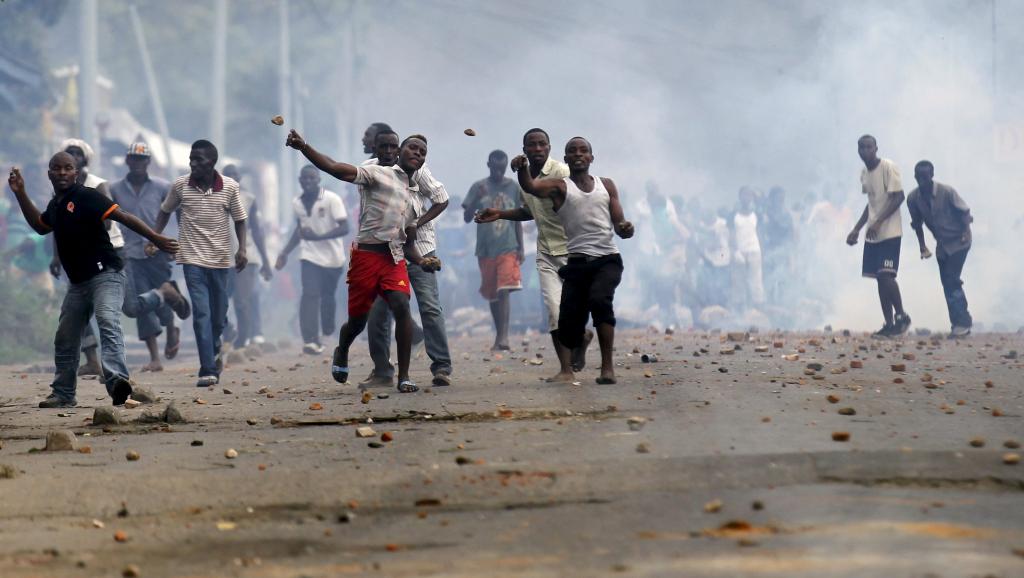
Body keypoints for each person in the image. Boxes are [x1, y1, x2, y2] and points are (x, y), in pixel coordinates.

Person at [7, 156, 180, 407]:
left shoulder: (87, 196)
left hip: (106, 273)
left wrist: (156, 238)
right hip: (78, 282)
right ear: (50, 174)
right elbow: (40, 226)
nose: (62, 173)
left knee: (107, 318)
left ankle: (118, 381)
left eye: (68, 168)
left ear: (76, 173)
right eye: (57, 168)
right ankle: (64, 393)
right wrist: (21, 193)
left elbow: (124, 217)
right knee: (66, 336)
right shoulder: (56, 205)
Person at [285, 129, 438, 393]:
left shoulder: (415, 196)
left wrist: (423, 261)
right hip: (366, 257)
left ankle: (404, 376)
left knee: (402, 306)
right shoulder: (374, 173)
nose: (417, 153)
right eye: (412, 148)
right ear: (398, 152)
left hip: (394, 258)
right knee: (358, 321)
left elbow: (409, 243)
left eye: (422, 152)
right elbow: (334, 168)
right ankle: (342, 348)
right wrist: (304, 147)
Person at [513, 137, 634, 384]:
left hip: (606, 259)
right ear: (566, 159)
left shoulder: (607, 185)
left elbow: (619, 222)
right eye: (572, 151)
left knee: (600, 301)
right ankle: (580, 340)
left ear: (591, 157)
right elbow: (531, 187)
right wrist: (522, 168)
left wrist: (625, 228)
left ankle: (607, 368)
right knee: (567, 327)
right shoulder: (559, 186)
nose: (578, 154)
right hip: (577, 263)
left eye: (584, 151)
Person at [475, 128, 587, 382]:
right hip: (546, 252)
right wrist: (500, 213)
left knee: (575, 310)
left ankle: (582, 336)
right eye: (532, 145)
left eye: (542, 144)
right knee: (553, 310)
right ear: (524, 149)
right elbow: (530, 210)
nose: (537, 149)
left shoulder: (561, 172)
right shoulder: (523, 179)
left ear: (549, 148)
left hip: (574, 249)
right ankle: (566, 370)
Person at [152, 140, 248, 387]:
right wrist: (155, 237)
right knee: (201, 314)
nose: (193, 164)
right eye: (191, 159)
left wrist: (242, 249)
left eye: (199, 160)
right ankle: (207, 369)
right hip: (192, 260)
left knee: (218, 316)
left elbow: (240, 219)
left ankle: (215, 346)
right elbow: (164, 210)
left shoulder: (229, 187)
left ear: (212, 162)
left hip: (221, 262)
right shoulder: (181, 186)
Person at [362, 130, 453, 388]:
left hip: (420, 249)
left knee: (430, 307)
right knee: (378, 311)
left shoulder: (419, 172)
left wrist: (416, 222)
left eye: (422, 152)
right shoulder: (370, 170)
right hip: (386, 252)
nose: (389, 151)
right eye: (384, 146)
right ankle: (382, 370)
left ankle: (442, 367)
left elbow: (441, 199)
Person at [108, 142, 183, 370]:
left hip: (158, 251)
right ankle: (154, 358)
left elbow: (177, 211)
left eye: (142, 159)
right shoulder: (115, 189)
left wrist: (176, 242)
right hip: (129, 253)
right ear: (127, 161)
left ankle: (171, 327)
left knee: (160, 297)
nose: (138, 163)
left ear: (148, 162)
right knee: (142, 301)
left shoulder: (163, 187)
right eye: (134, 159)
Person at [57, 139, 125, 377]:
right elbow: (56, 226)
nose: (72, 158)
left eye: (76, 154)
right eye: (68, 154)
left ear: (84, 161)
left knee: (107, 313)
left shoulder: (97, 185)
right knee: (74, 313)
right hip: (77, 256)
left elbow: (107, 222)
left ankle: (115, 375)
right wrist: (57, 257)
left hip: (107, 252)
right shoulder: (61, 191)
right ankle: (92, 362)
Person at [275, 164, 349, 355]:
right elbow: (299, 230)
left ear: (318, 180)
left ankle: (327, 331)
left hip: (333, 259)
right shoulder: (297, 203)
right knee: (309, 294)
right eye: (304, 178)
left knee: (327, 297)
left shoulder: (332, 199)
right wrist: (284, 252)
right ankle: (310, 340)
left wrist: (318, 236)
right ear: (300, 180)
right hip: (309, 256)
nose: (308, 182)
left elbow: (344, 228)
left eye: (312, 178)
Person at [846, 135, 911, 338]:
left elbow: (899, 196)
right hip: (873, 234)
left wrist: (880, 221)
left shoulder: (887, 167)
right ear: (858, 151)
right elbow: (871, 203)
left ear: (876, 148)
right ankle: (889, 324)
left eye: (869, 147)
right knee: (879, 280)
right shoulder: (864, 173)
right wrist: (856, 229)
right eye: (862, 147)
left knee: (886, 275)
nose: (865, 151)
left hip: (890, 231)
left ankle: (902, 316)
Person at [462, 150, 524, 352]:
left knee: (504, 290)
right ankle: (498, 334)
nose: (498, 172)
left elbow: (519, 218)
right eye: (495, 168)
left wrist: (521, 247)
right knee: (493, 294)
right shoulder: (479, 187)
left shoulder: (514, 187)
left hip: (508, 245)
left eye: (502, 168)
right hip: (486, 249)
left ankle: (504, 336)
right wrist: (474, 201)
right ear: (488, 165)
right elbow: (466, 217)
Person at [907, 161, 973, 338]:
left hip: (960, 241)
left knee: (951, 278)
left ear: (932, 175)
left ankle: (963, 322)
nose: (921, 180)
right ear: (914, 176)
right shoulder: (913, 199)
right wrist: (922, 245)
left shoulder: (947, 192)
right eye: (918, 176)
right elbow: (917, 224)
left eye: (925, 176)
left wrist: (966, 232)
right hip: (942, 245)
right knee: (947, 282)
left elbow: (965, 213)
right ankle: (957, 323)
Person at [222, 164, 273, 349]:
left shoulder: (249, 199)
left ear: (240, 178)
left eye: (235, 175)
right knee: (219, 302)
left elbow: (257, 231)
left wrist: (266, 261)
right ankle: (228, 332)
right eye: (228, 175)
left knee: (242, 301)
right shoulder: (213, 197)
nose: (232, 178)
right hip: (220, 259)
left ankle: (242, 340)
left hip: (246, 257)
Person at [731, 186, 765, 310]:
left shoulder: (757, 214)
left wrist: (762, 250)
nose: (747, 198)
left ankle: (757, 307)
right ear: (740, 197)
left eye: (749, 195)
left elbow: (759, 233)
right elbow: (731, 234)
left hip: (754, 250)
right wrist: (735, 251)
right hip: (740, 251)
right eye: (745, 195)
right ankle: (740, 308)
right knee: (738, 281)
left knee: (756, 280)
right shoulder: (734, 215)